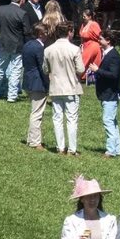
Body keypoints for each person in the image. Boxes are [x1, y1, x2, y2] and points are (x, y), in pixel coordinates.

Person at [45, 21, 85, 156]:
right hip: (71, 87)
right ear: (69, 32)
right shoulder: (74, 49)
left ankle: (60, 147)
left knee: (57, 118)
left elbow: (45, 69)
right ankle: (72, 149)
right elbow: (81, 69)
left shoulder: (48, 49)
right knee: (71, 119)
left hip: (55, 87)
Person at [0, 0, 28, 102]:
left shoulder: (1, 10)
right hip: (18, 45)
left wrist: (1, 37)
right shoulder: (22, 13)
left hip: (4, 44)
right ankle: (12, 96)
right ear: (21, 0)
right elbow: (26, 32)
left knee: (0, 69)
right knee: (16, 71)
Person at [95, 30, 120, 159]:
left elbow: (114, 75)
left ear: (108, 41)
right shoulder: (108, 54)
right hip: (107, 93)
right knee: (113, 121)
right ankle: (116, 149)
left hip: (110, 94)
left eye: (101, 39)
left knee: (108, 121)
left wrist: (98, 70)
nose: (99, 41)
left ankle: (110, 150)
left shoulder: (113, 56)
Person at [22, 23, 49, 150]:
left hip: (28, 81)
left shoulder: (27, 44)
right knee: (37, 113)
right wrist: (48, 85)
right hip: (37, 83)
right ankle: (35, 142)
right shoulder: (39, 48)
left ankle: (31, 139)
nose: (47, 34)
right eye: (46, 32)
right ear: (40, 34)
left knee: (34, 111)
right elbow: (43, 68)